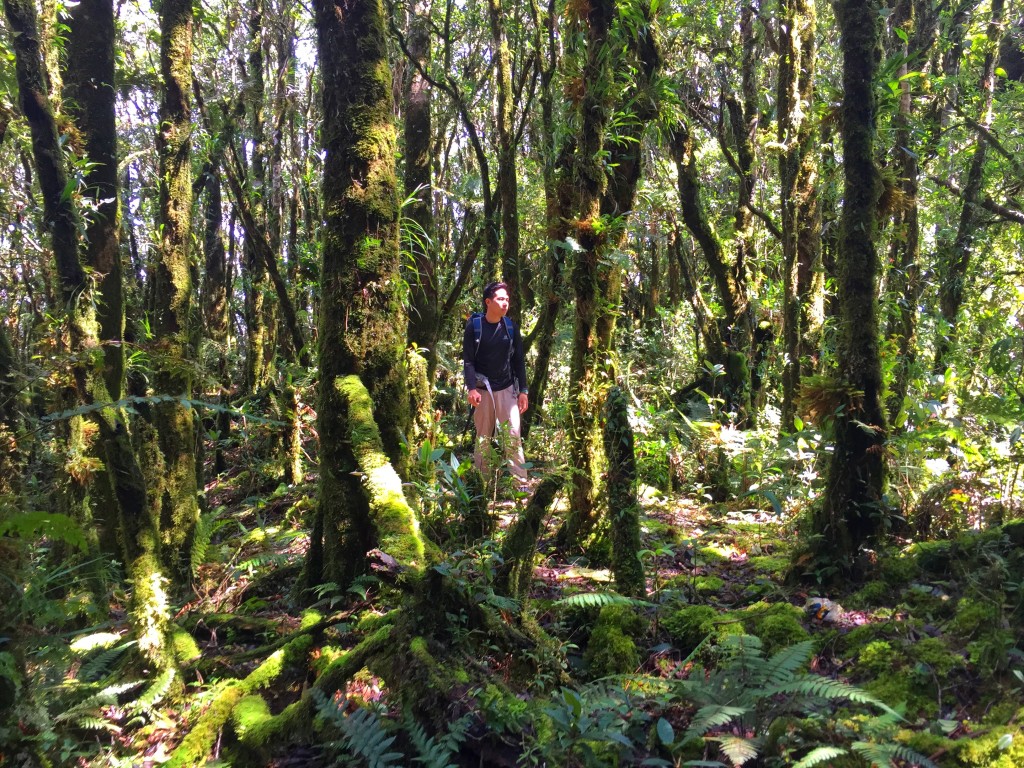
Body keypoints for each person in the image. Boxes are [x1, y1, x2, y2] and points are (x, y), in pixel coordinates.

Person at [462, 281, 529, 482]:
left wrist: (523, 390)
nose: (505, 303)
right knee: (483, 439)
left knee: (513, 437)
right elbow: (468, 361)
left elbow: (518, 360)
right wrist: (472, 388)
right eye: (500, 299)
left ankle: (520, 486)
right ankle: (482, 487)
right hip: (483, 392)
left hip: (507, 390)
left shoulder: (510, 328)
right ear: (488, 302)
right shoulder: (474, 328)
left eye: (507, 299)